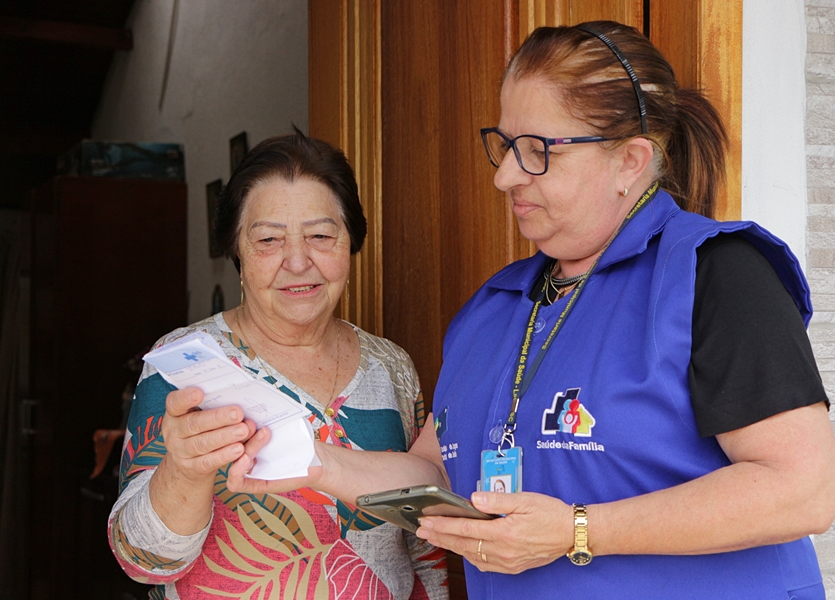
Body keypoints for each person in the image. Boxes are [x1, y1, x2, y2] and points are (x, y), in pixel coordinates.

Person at [211, 21, 835, 599]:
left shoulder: (715, 273)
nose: (505, 176)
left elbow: (804, 488)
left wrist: (578, 531)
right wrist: (312, 460)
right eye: (506, 145)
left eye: (537, 149)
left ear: (630, 161)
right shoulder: (494, 307)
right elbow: (435, 472)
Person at [107, 130, 448, 599]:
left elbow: (423, 545)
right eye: (268, 239)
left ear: (351, 242)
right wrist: (185, 471)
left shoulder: (390, 368)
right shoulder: (185, 362)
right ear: (237, 251)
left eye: (321, 236)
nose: (297, 261)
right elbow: (142, 560)